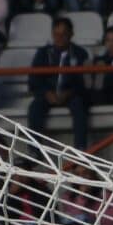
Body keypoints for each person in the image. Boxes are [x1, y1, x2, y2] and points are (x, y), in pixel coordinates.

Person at [27, 17, 92, 150]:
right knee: (34, 108)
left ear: (71, 34)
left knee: (80, 107)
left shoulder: (80, 54)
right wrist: (46, 93)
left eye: (64, 34)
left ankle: (80, 151)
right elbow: (34, 80)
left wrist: (69, 92)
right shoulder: (43, 53)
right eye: (56, 34)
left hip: (72, 94)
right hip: (47, 94)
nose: (59, 38)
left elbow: (84, 83)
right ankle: (34, 152)